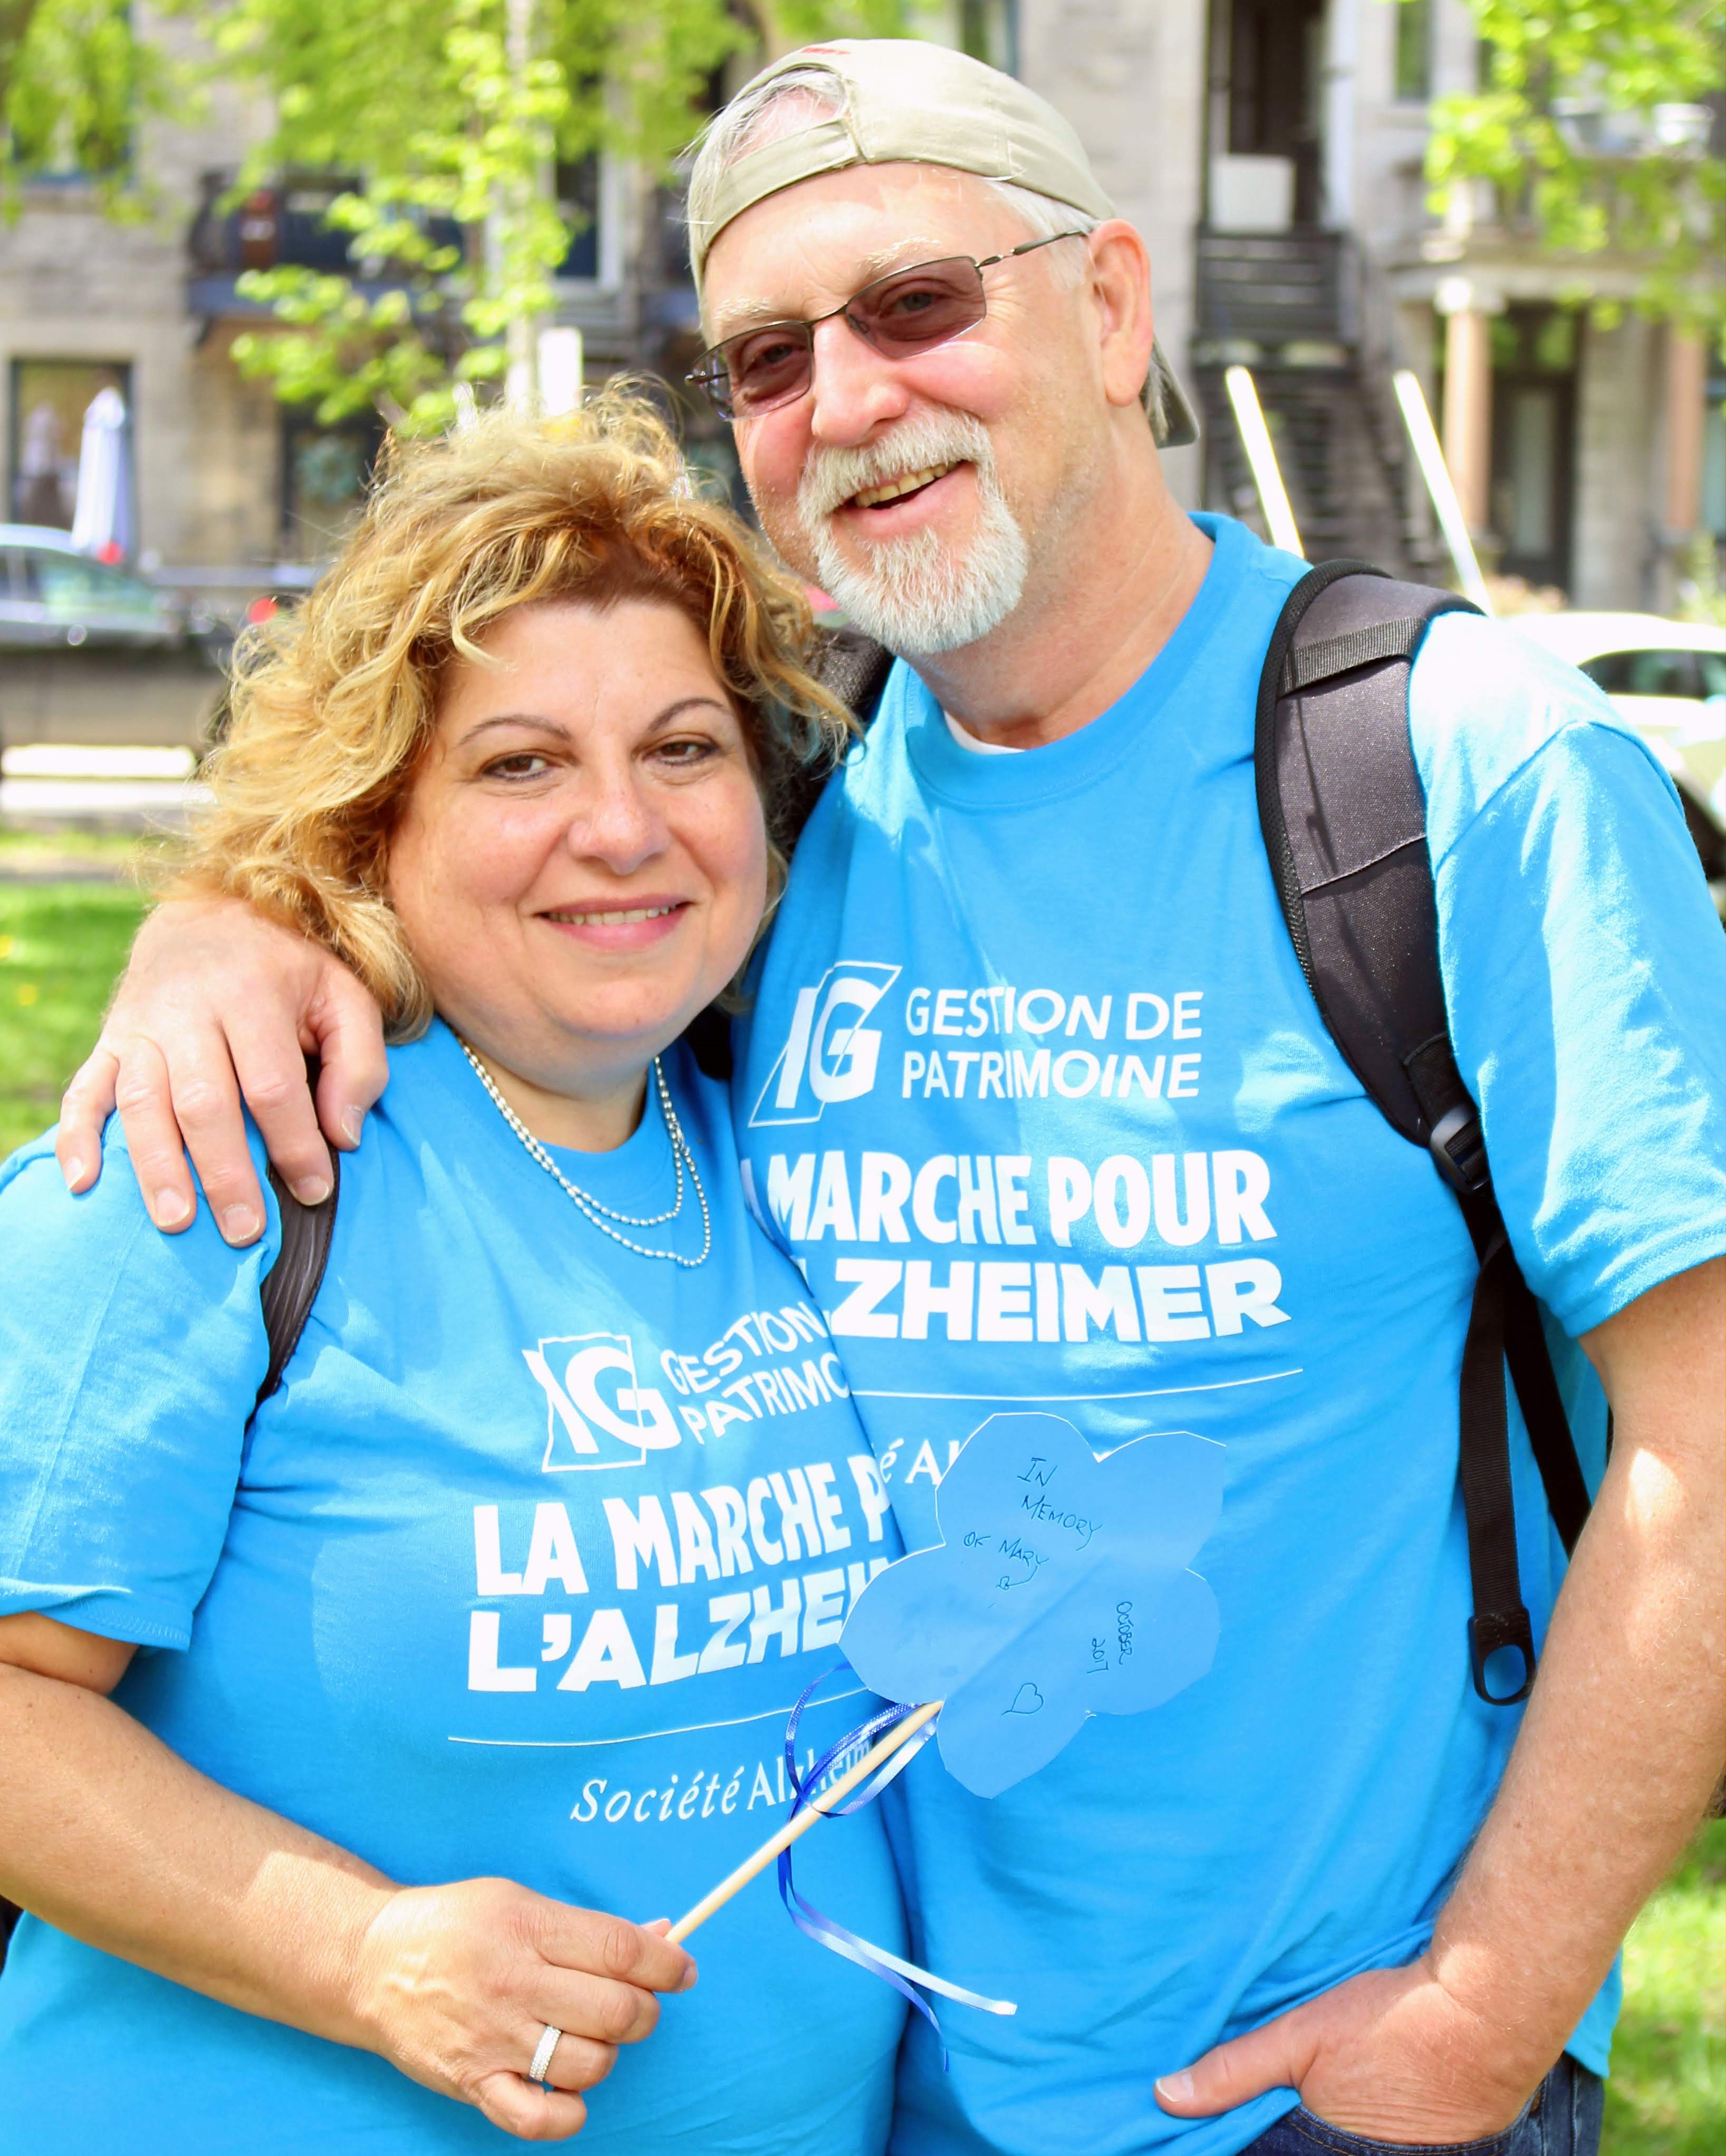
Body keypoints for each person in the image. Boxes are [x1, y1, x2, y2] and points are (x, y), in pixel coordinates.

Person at [53, 39, 1725, 2156]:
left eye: (922, 304)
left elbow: (1711, 1430)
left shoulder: (1452, 765)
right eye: (770, 355)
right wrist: (239, 913)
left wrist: (1484, 2014)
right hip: (881, 2083)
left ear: (1113, 309)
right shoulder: (791, 790)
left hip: (1314, 2092)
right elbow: (497, 870)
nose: (847, 400)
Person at [0, 394, 912, 2152]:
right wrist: (361, 1955)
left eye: (682, 749)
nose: (624, 829)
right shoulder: (212, 1167)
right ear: (373, 813)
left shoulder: (780, 1145)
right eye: (518, 765)